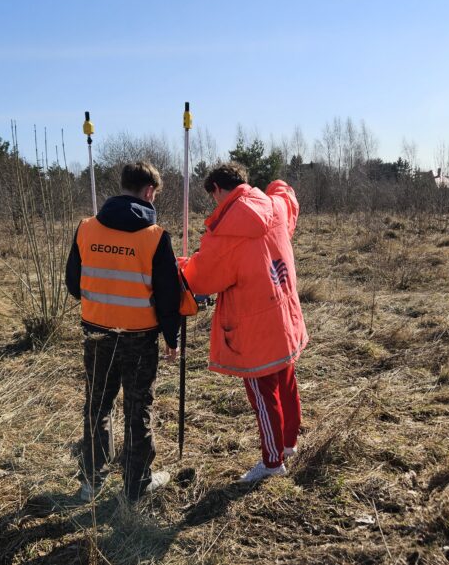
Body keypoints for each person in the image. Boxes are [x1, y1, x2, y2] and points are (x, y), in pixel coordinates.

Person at [180, 162, 308, 482]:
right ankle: (289, 443)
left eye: (213, 196)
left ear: (218, 190)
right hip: (285, 316)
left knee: (263, 395)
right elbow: (286, 195)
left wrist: (182, 266)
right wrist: (277, 183)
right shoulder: (275, 207)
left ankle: (272, 461)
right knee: (286, 381)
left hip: (253, 330)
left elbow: (202, 279)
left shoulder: (225, 234)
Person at [65, 161, 181, 502]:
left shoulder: (86, 228)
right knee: (137, 409)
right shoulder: (156, 237)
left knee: (97, 406)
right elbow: (168, 297)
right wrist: (171, 339)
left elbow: (74, 283)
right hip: (140, 338)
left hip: (96, 334)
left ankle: (91, 481)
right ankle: (136, 486)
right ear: (149, 192)